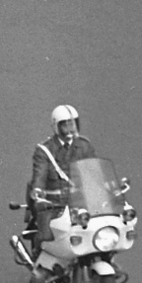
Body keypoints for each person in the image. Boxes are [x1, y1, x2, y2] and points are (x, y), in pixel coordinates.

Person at [25, 104, 96, 246]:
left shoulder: (84, 146)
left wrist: (106, 186)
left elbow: (93, 172)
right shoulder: (45, 150)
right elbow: (40, 174)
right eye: (65, 125)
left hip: (80, 205)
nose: (70, 129)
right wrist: (38, 190)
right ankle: (39, 254)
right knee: (46, 238)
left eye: (73, 124)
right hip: (55, 207)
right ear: (56, 127)